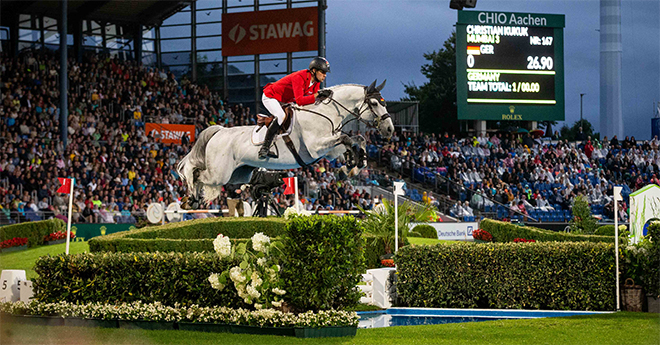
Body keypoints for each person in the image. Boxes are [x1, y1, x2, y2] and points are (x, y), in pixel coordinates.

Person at [259, 57, 331, 159]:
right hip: (271, 96)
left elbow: (313, 101)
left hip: (285, 100)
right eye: (322, 72)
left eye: (325, 73)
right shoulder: (299, 77)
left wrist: (322, 97)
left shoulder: (316, 83)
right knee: (281, 116)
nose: (325, 75)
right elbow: (300, 101)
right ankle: (264, 148)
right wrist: (317, 95)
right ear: (314, 71)